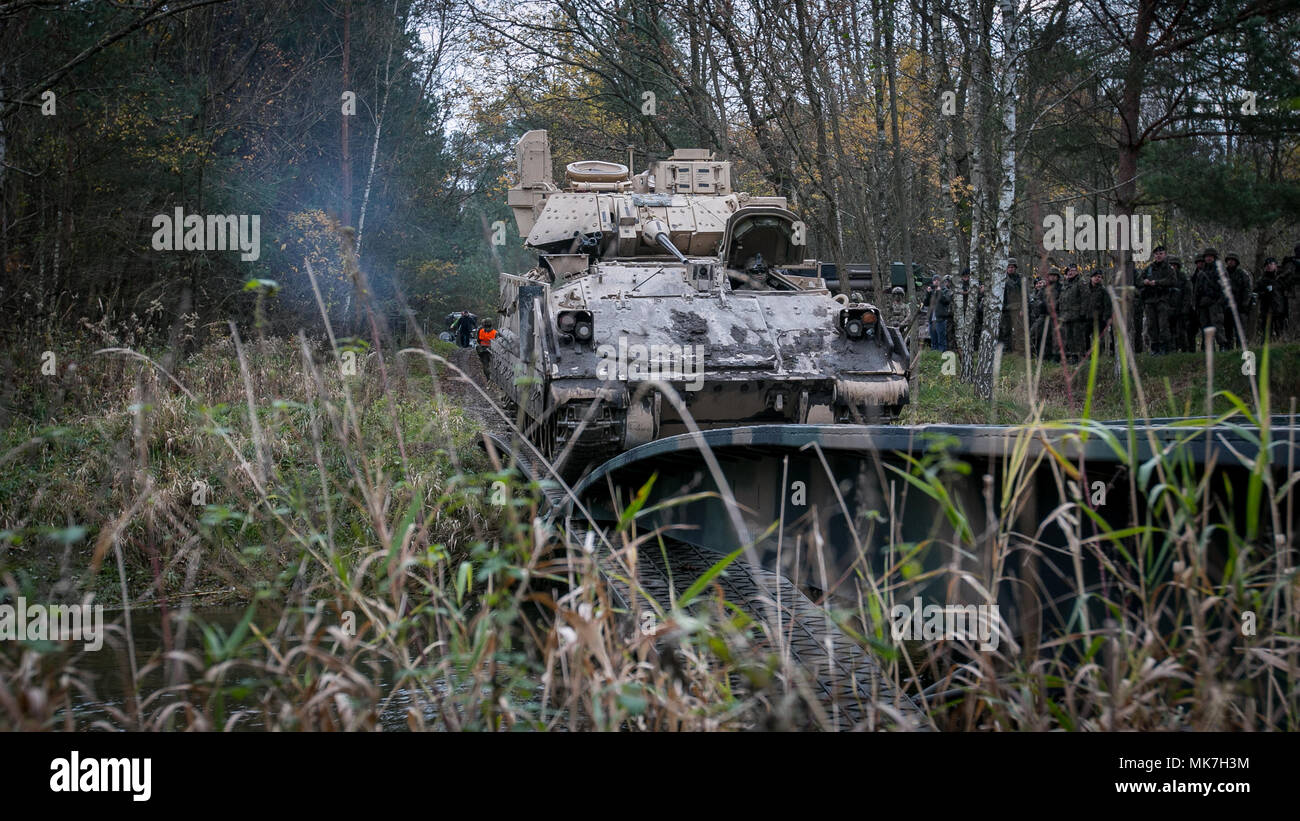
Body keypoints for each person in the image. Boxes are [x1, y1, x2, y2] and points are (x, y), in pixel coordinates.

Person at [1139, 245, 1176, 354]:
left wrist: (1157, 283)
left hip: (1162, 300)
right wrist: (1144, 282)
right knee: (1151, 325)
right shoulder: (1149, 268)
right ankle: (1154, 348)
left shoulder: (1169, 268)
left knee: (1163, 324)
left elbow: (1172, 281)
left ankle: (1164, 347)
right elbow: (1139, 280)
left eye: (1161, 253)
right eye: (1156, 254)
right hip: (1150, 301)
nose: (1158, 256)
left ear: (1164, 254)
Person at [1194, 248, 1226, 351]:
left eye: (1210, 256)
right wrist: (1196, 303)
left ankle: (1222, 346)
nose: (1208, 258)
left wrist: (1220, 301)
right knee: (1206, 327)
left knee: (1217, 325)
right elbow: (1197, 289)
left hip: (1215, 302)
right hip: (1203, 303)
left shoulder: (1219, 270)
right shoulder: (1201, 272)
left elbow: (1225, 288)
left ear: (1214, 257)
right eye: (1206, 257)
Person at [1223, 251, 1253, 348]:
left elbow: (1248, 290)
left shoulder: (1242, 274)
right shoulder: (1222, 274)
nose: (1231, 262)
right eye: (1229, 260)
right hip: (1226, 308)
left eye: (1233, 260)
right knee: (1228, 332)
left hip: (1240, 307)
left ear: (1236, 262)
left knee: (1240, 332)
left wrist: (1245, 304)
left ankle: (1241, 351)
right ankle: (1229, 351)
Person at [1059, 263, 1088, 364]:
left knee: (1078, 337)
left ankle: (1082, 357)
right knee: (1069, 338)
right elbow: (1062, 299)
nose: (1070, 272)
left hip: (1077, 316)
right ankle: (1073, 357)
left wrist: (1083, 313)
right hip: (1066, 316)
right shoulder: (1066, 284)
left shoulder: (1081, 282)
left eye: (1073, 270)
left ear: (1077, 271)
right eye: (1069, 271)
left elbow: (1085, 298)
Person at [1256, 258, 1286, 342]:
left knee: (1280, 332)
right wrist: (1265, 291)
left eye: (1271, 264)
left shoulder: (1281, 278)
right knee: (1266, 333)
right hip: (1266, 311)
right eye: (1267, 265)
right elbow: (1256, 293)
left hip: (1280, 310)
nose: (1269, 266)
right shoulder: (1261, 280)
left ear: (1275, 265)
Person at [1087, 269, 1111, 356]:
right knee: (1085, 338)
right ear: (1091, 278)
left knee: (1098, 339)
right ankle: (1087, 356)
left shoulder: (1103, 291)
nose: (1098, 278)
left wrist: (1105, 319)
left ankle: (1098, 356)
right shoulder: (1086, 290)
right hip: (1087, 318)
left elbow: (1108, 306)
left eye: (1100, 277)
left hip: (1099, 319)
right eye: (1096, 276)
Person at [1000, 259, 1022, 353]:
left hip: (1017, 307)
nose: (1010, 269)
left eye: (1012, 267)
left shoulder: (1019, 279)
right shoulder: (1002, 278)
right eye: (1008, 267)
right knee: (1006, 329)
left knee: (1018, 329)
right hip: (1005, 308)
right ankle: (1007, 348)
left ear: (1015, 268)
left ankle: (1019, 348)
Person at [933, 276, 954, 352]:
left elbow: (946, 300)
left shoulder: (947, 291)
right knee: (935, 339)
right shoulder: (936, 290)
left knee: (942, 339)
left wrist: (939, 292)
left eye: (948, 282)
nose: (946, 283)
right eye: (945, 282)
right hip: (935, 318)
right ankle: (936, 354)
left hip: (943, 318)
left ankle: (942, 354)